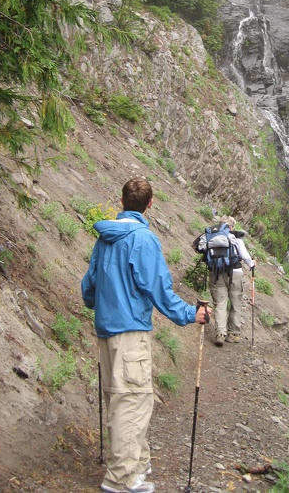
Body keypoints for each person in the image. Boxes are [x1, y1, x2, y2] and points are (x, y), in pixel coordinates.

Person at [81, 177, 212, 493]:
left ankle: (136, 463)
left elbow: (88, 289)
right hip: (131, 333)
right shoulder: (144, 240)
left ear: (122, 201)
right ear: (150, 205)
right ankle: (120, 480)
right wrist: (190, 314)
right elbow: (161, 292)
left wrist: (101, 303)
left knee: (121, 399)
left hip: (105, 332)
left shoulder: (105, 238)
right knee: (133, 401)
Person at [209, 215, 255, 347]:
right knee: (235, 303)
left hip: (216, 273)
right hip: (235, 272)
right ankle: (233, 334)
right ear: (231, 227)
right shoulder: (236, 238)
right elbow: (245, 256)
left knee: (220, 304)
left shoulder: (213, 237)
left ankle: (220, 334)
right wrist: (252, 265)